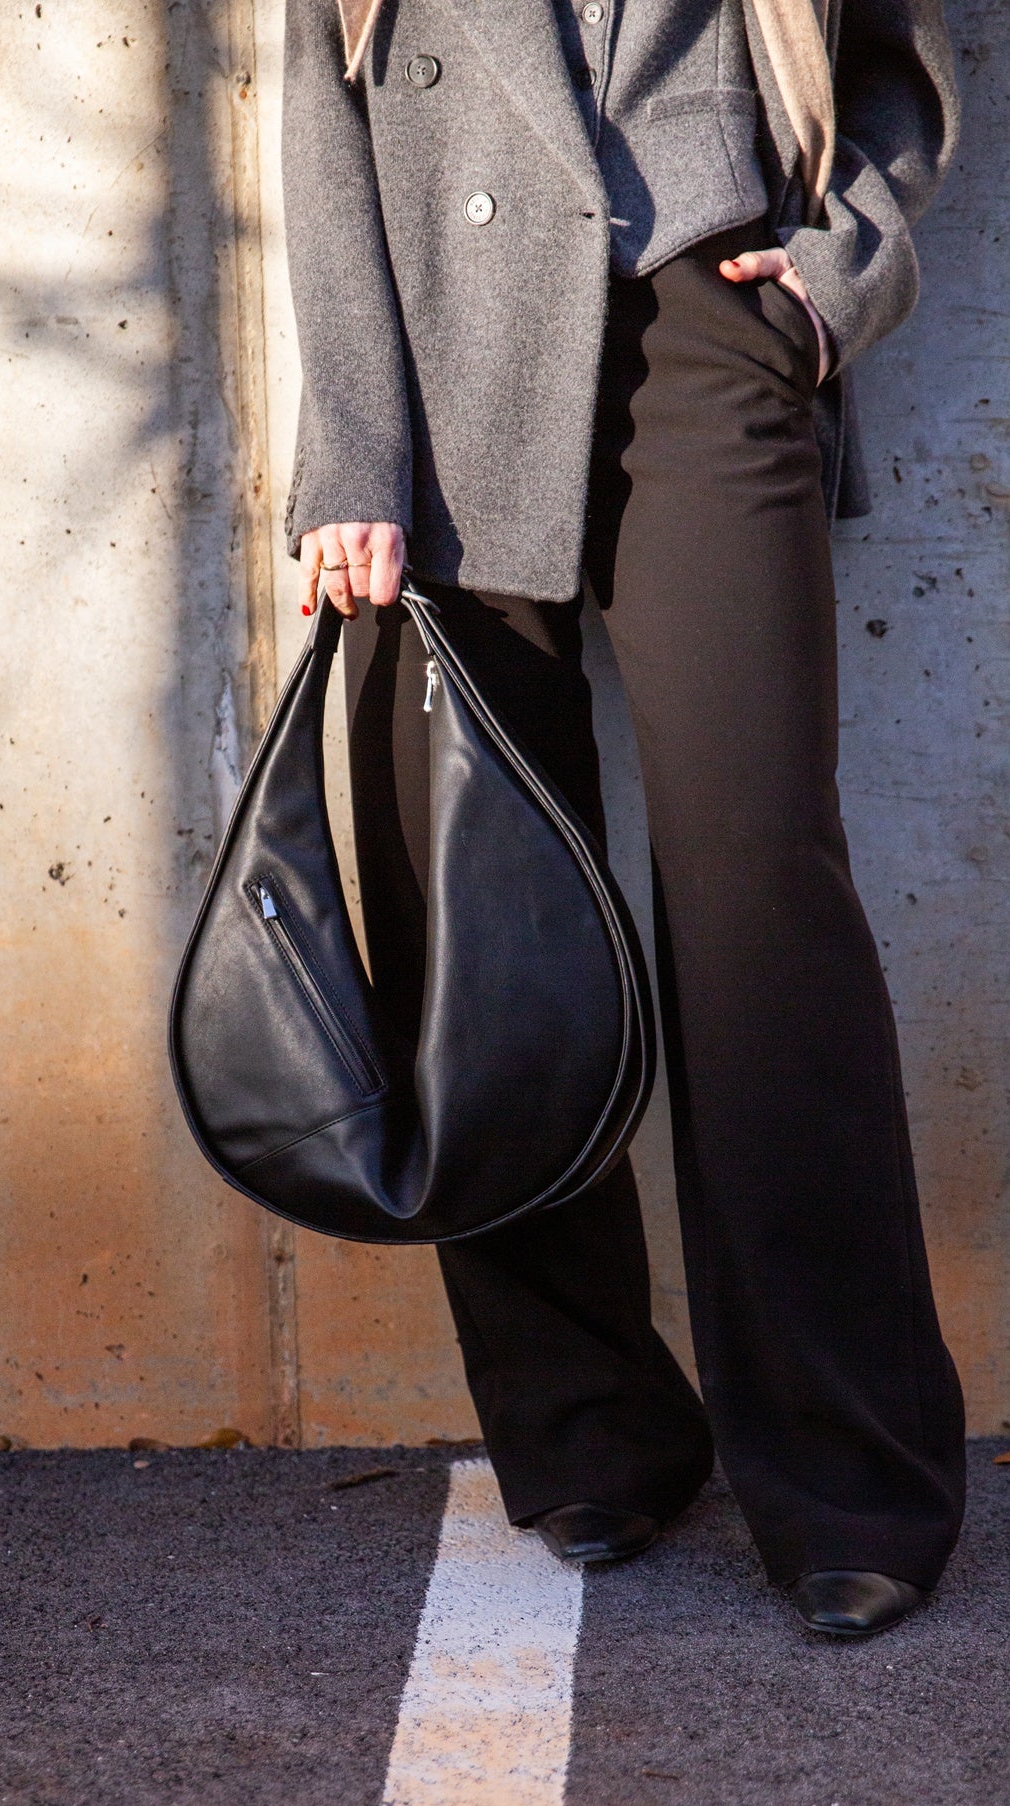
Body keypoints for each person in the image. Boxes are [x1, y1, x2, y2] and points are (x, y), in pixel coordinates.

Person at [280, 0, 966, 1636]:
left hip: (711, 322)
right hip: (440, 376)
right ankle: (587, 1428)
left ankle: (846, 1477)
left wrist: (834, 272)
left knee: (760, 907)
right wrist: (352, 451)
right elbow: (320, 106)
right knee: (479, 919)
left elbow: (896, 61)